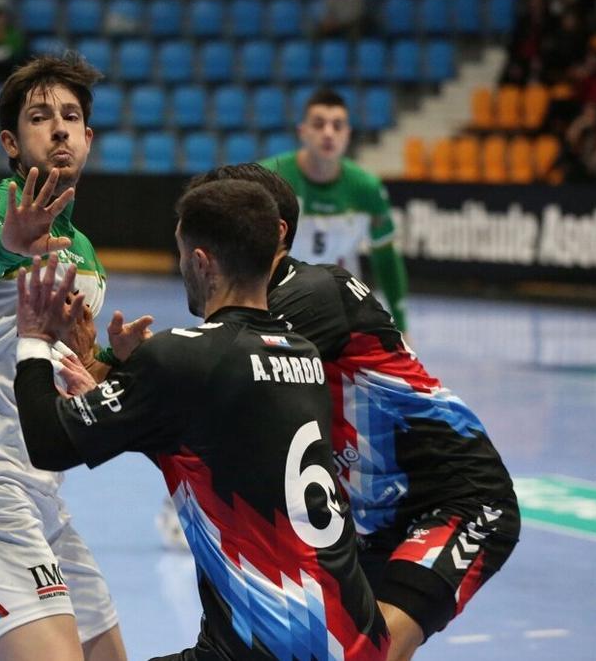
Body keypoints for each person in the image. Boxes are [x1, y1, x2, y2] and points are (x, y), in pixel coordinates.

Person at [13, 180, 390, 661]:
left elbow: (47, 443)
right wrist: (124, 385)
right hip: (357, 637)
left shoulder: (185, 356)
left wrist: (34, 338)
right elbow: (214, 455)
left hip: (272, 647)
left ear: (201, 262)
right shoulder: (304, 355)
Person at [194, 164, 519, 661]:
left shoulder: (313, 292)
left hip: (456, 498)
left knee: (367, 654)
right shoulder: (255, 310)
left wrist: (109, 372)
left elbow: (206, 374)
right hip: (368, 524)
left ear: (275, 232)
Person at [0, 54, 128, 661]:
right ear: (12, 142)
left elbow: (72, 378)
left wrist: (113, 360)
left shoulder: (86, 255)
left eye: (71, 117)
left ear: (88, 138)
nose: (59, 129)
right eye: (40, 118)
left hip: (41, 492)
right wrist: (8, 244)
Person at [259, 89, 410, 333]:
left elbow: (387, 260)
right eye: (319, 124)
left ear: (347, 134)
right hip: (272, 306)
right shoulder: (269, 178)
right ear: (303, 132)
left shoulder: (367, 189)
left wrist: (402, 326)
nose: (328, 133)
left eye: (337, 126)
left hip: (339, 313)